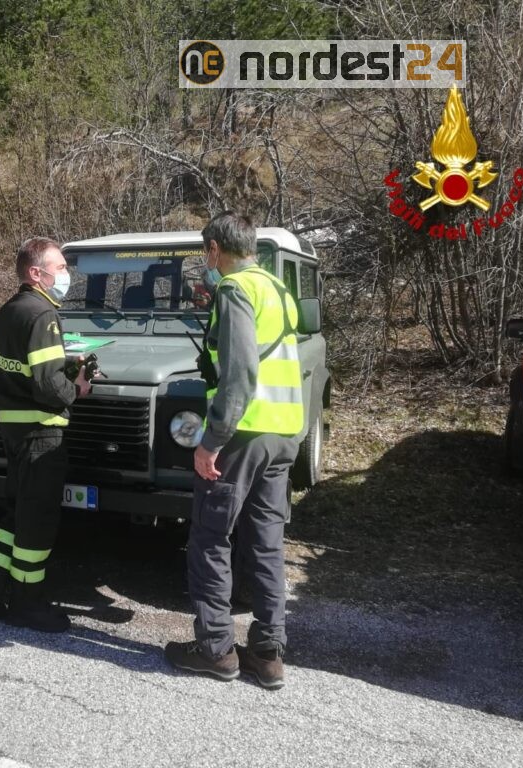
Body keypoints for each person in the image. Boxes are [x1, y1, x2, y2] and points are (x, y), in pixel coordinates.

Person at [164, 212, 303, 689]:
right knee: (266, 543)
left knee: (210, 538)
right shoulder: (276, 287)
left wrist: (211, 441)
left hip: (242, 435)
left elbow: (240, 374)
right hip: (282, 433)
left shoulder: (234, 289)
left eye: (206, 251)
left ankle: (215, 650)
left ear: (214, 249)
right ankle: (268, 654)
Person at [0, 237, 91, 632]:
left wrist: (59, 369)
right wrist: (77, 387)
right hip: (42, 432)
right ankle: (28, 602)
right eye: (60, 267)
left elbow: (19, 369)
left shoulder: (11, 310)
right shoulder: (43, 315)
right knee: (37, 522)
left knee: (16, 513)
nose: (66, 274)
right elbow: (47, 384)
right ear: (36, 273)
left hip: (14, 430)